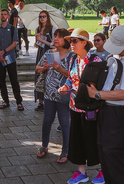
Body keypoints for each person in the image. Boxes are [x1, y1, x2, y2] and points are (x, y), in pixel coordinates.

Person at [86, 25, 124, 184]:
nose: (116, 50)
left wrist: (97, 94)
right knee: (105, 153)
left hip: (120, 113)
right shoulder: (120, 55)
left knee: (117, 155)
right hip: (108, 109)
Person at [58, 28, 102, 184]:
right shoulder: (73, 59)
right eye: (70, 41)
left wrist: (83, 90)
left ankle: (103, 170)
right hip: (74, 106)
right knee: (77, 139)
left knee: (94, 138)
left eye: (75, 41)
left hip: (90, 107)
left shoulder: (95, 61)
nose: (71, 44)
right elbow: (70, 78)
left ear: (85, 43)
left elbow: (99, 84)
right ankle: (81, 172)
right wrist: (65, 87)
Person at [36, 28, 74, 164]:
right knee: (47, 121)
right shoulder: (48, 53)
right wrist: (44, 68)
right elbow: (37, 68)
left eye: (60, 36)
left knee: (65, 123)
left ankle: (66, 151)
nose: (56, 39)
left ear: (67, 40)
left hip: (64, 96)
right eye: (55, 36)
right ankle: (44, 145)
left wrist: (60, 69)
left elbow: (75, 76)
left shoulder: (72, 56)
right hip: (49, 94)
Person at [0, 9, 24, 110]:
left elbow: (14, 43)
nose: (3, 16)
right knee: (1, 80)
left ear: (8, 16)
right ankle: (5, 100)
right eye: (1, 14)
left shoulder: (13, 29)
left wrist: (4, 51)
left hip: (9, 58)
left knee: (13, 80)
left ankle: (19, 101)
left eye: (5, 14)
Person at [34, 10, 56, 111]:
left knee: (49, 74)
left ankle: (49, 99)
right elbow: (37, 45)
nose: (42, 18)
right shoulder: (37, 29)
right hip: (40, 53)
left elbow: (53, 44)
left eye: (44, 16)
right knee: (39, 73)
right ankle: (40, 101)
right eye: (40, 16)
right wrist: (37, 40)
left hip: (49, 53)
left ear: (47, 17)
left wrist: (42, 40)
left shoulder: (52, 29)